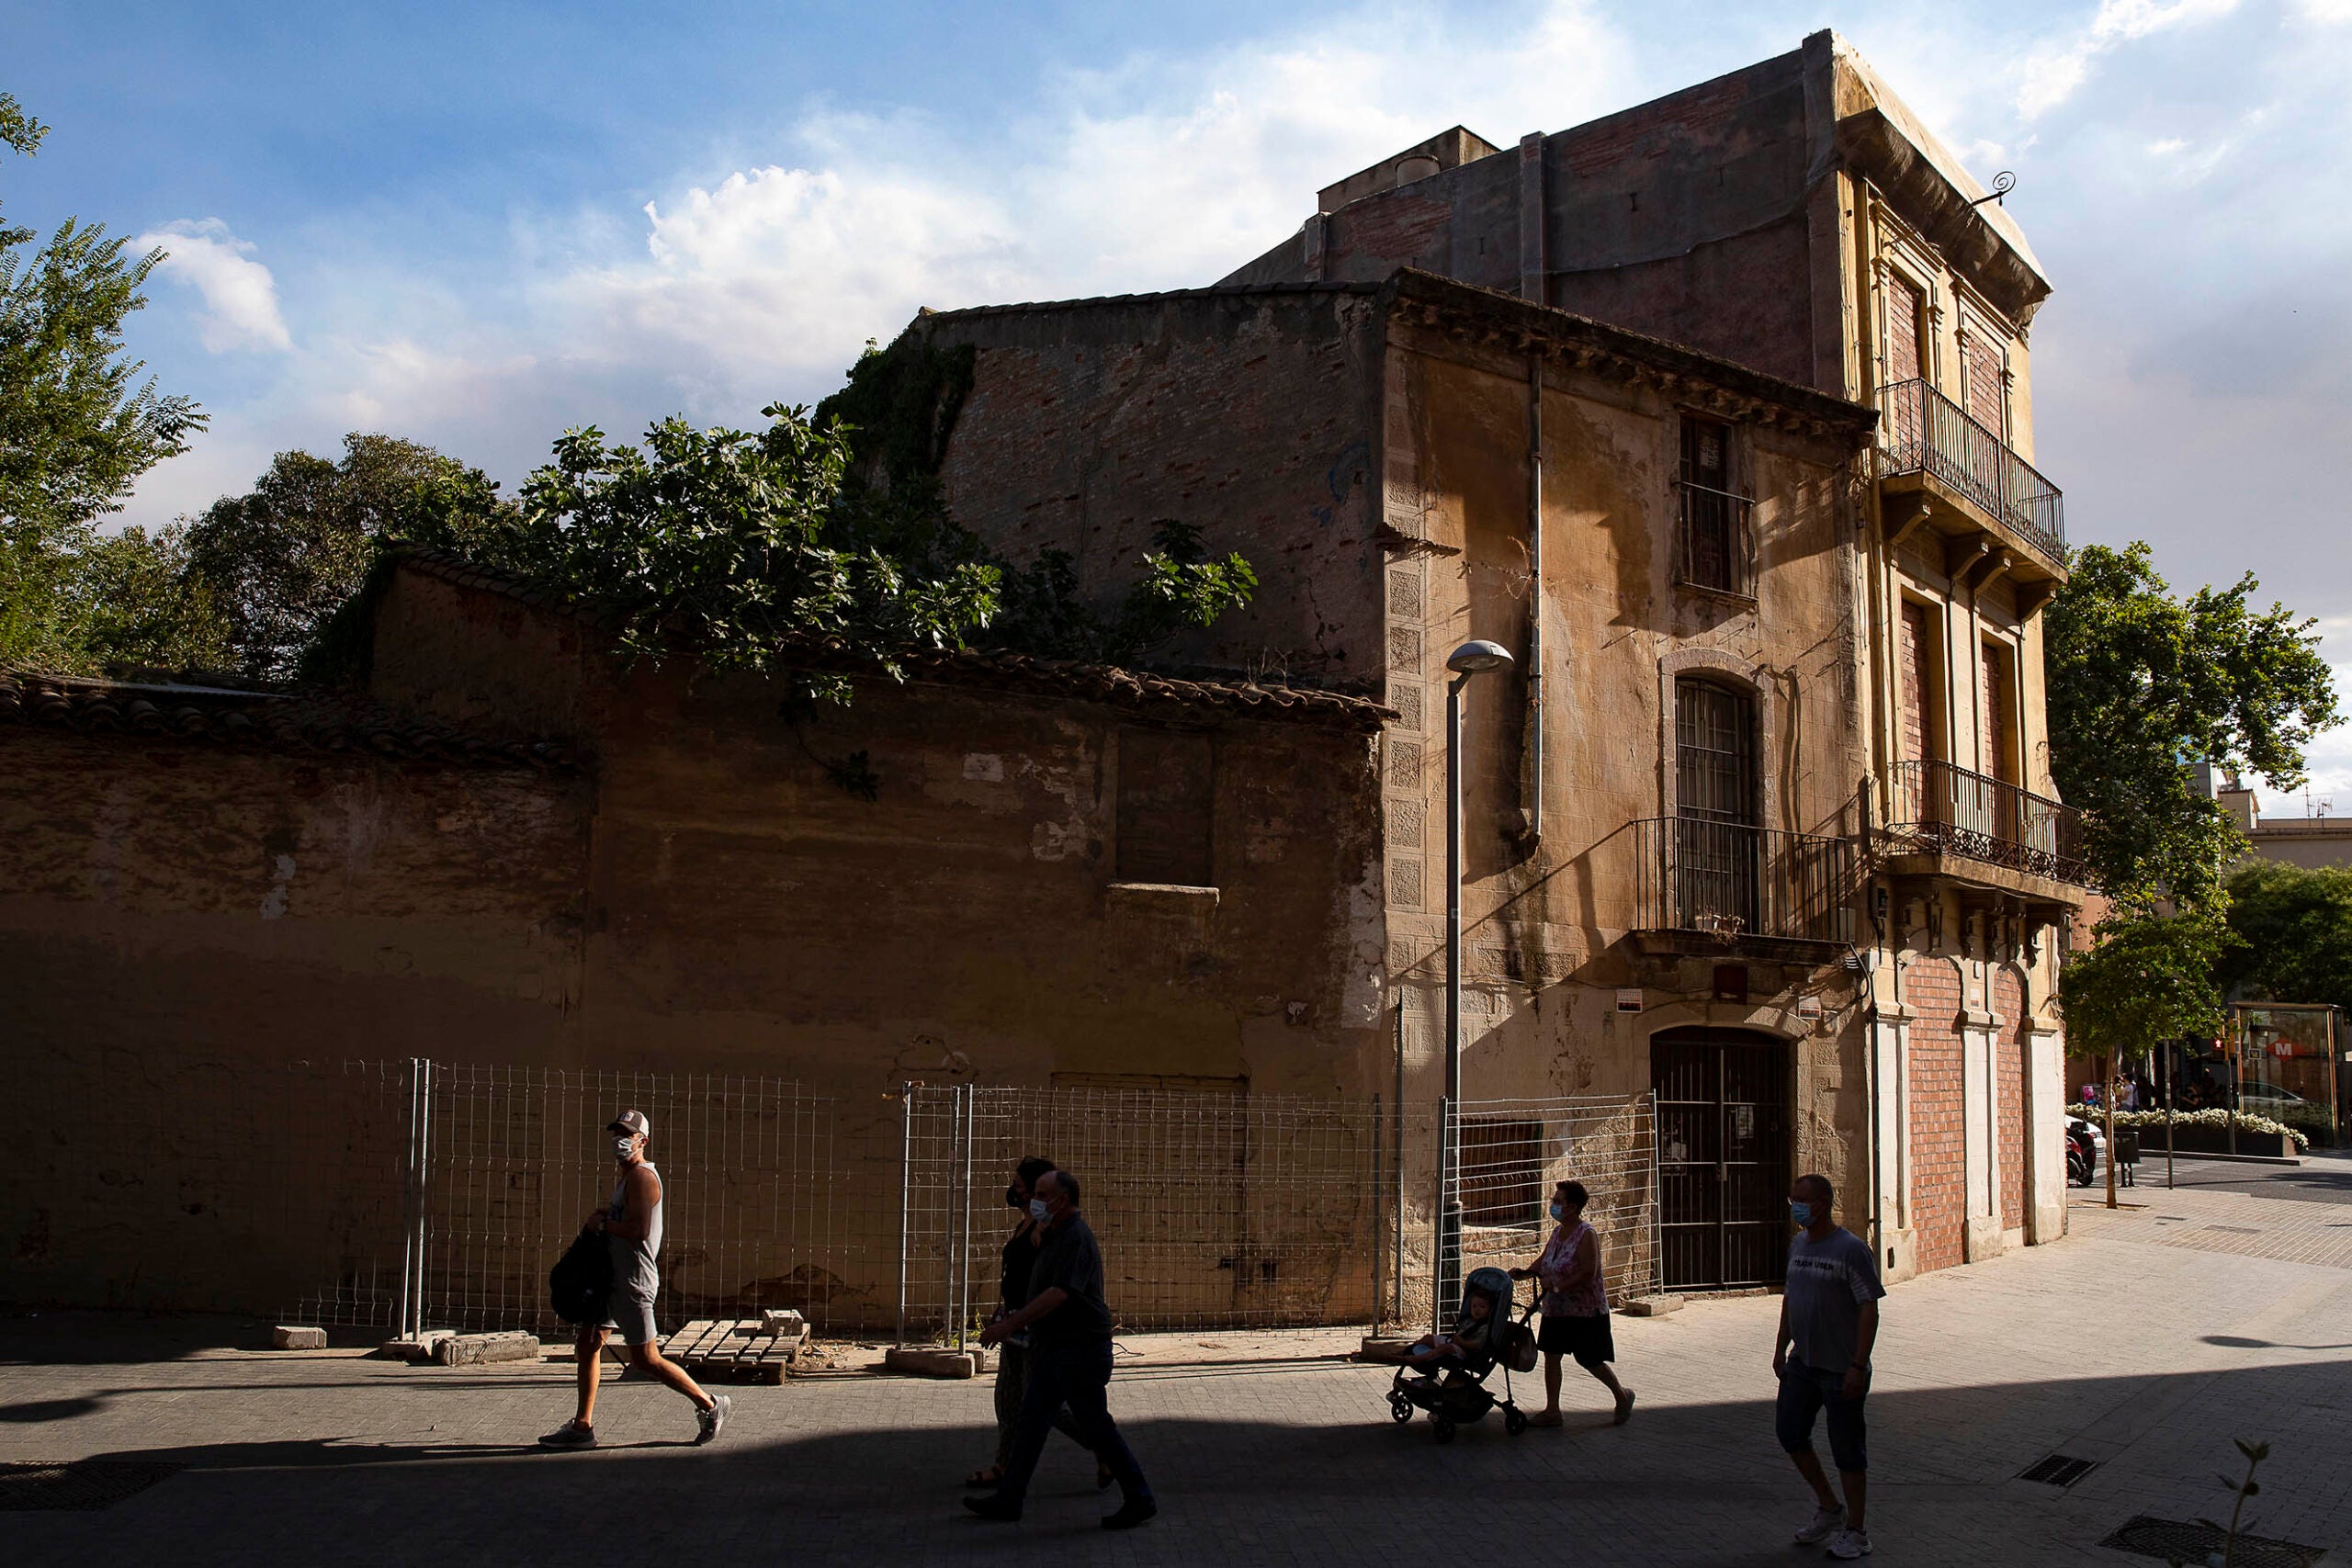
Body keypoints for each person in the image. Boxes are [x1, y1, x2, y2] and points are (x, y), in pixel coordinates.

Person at [967, 1170, 1155, 1529]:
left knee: (1097, 1427)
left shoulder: (1076, 1238)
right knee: (1031, 1423)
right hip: (1054, 1349)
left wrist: (1011, 1323)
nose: (1033, 1200)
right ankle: (1009, 1498)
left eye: (1040, 1193)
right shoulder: (1054, 1233)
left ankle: (1140, 1497)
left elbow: (1059, 1293)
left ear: (1061, 1200)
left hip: (1079, 1351)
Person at [539, 1110, 730, 1450]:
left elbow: (639, 1230)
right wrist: (602, 1215)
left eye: (627, 1135)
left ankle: (710, 1405)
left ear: (643, 1140)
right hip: (612, 1278)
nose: (620, 1141)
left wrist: (603, 1225)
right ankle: (582, 1427)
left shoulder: (643, 1177)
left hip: (633, 1282)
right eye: (616, 1133)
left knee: (644, 1358)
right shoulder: (626, 1178)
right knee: (588, 1344)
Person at [964, 1157, 1106, 1494]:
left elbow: (1056, 1287)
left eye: (1019, 1186)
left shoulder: (1049, 1233)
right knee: (1009, 1401)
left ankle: (1106, 1446)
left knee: (1045, 1405)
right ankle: (1005, 1466)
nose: (1014, 1192)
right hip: (1014, 1323)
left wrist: (1013, 1320)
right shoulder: (1025, 1225)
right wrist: (1002, 1315)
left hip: (1034, 1328)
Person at [1773, 1172, 1883, 1561]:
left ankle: (1857, 1530)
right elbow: (1792, 1297)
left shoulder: (1850, 1250)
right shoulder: (1798, 1244)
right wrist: (1780, 1346)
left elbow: (1869, 1306)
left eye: (1801, 1200)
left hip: (1841, 1368)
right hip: (1802, 1363)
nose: (1795, 1207)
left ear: (1822, 1204)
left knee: (1848, 1451)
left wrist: (1858, 1364)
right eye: (1792, 1200)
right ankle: (1829, 1507)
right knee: (1790, 1432)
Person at [1510, 1179, 1634, 1427]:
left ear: (1573, 1207)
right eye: (1553, 1201)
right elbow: (1545, 1259)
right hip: (1556, 1308)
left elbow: (1589, 1270)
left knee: (1589, 1359)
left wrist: (1559, 1286)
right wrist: (1525, 1273)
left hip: (1584, 1311)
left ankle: (1621, 1395)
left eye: (1558, 1201)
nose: (1554, 1206)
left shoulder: (1586, 1234)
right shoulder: (1557, 1232)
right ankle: (1552, 1410)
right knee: (1552, 1355)